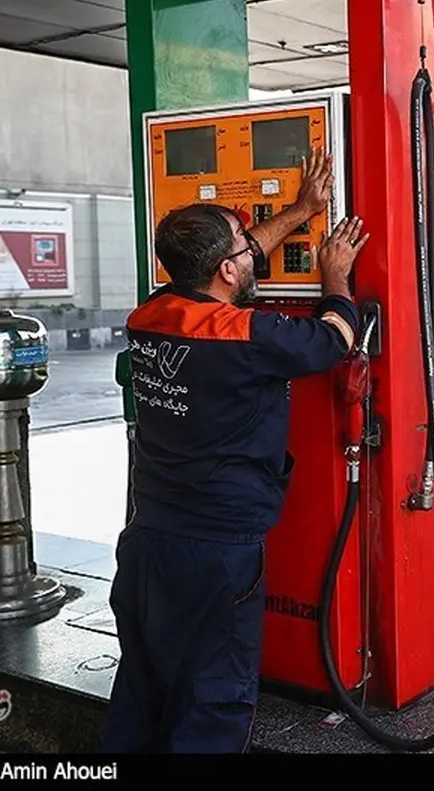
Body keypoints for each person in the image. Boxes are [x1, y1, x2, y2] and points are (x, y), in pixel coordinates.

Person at [100, 147, 369, 753]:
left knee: (142, 690)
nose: (254, 249)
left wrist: (301, 210)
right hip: (217, 555)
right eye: (246, 245)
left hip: (146, 544)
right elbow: (334, 341)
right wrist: (335, 276)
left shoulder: (149, 316)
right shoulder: (247, 336)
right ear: (226, 270)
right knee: (212, 702)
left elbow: (226, 271)